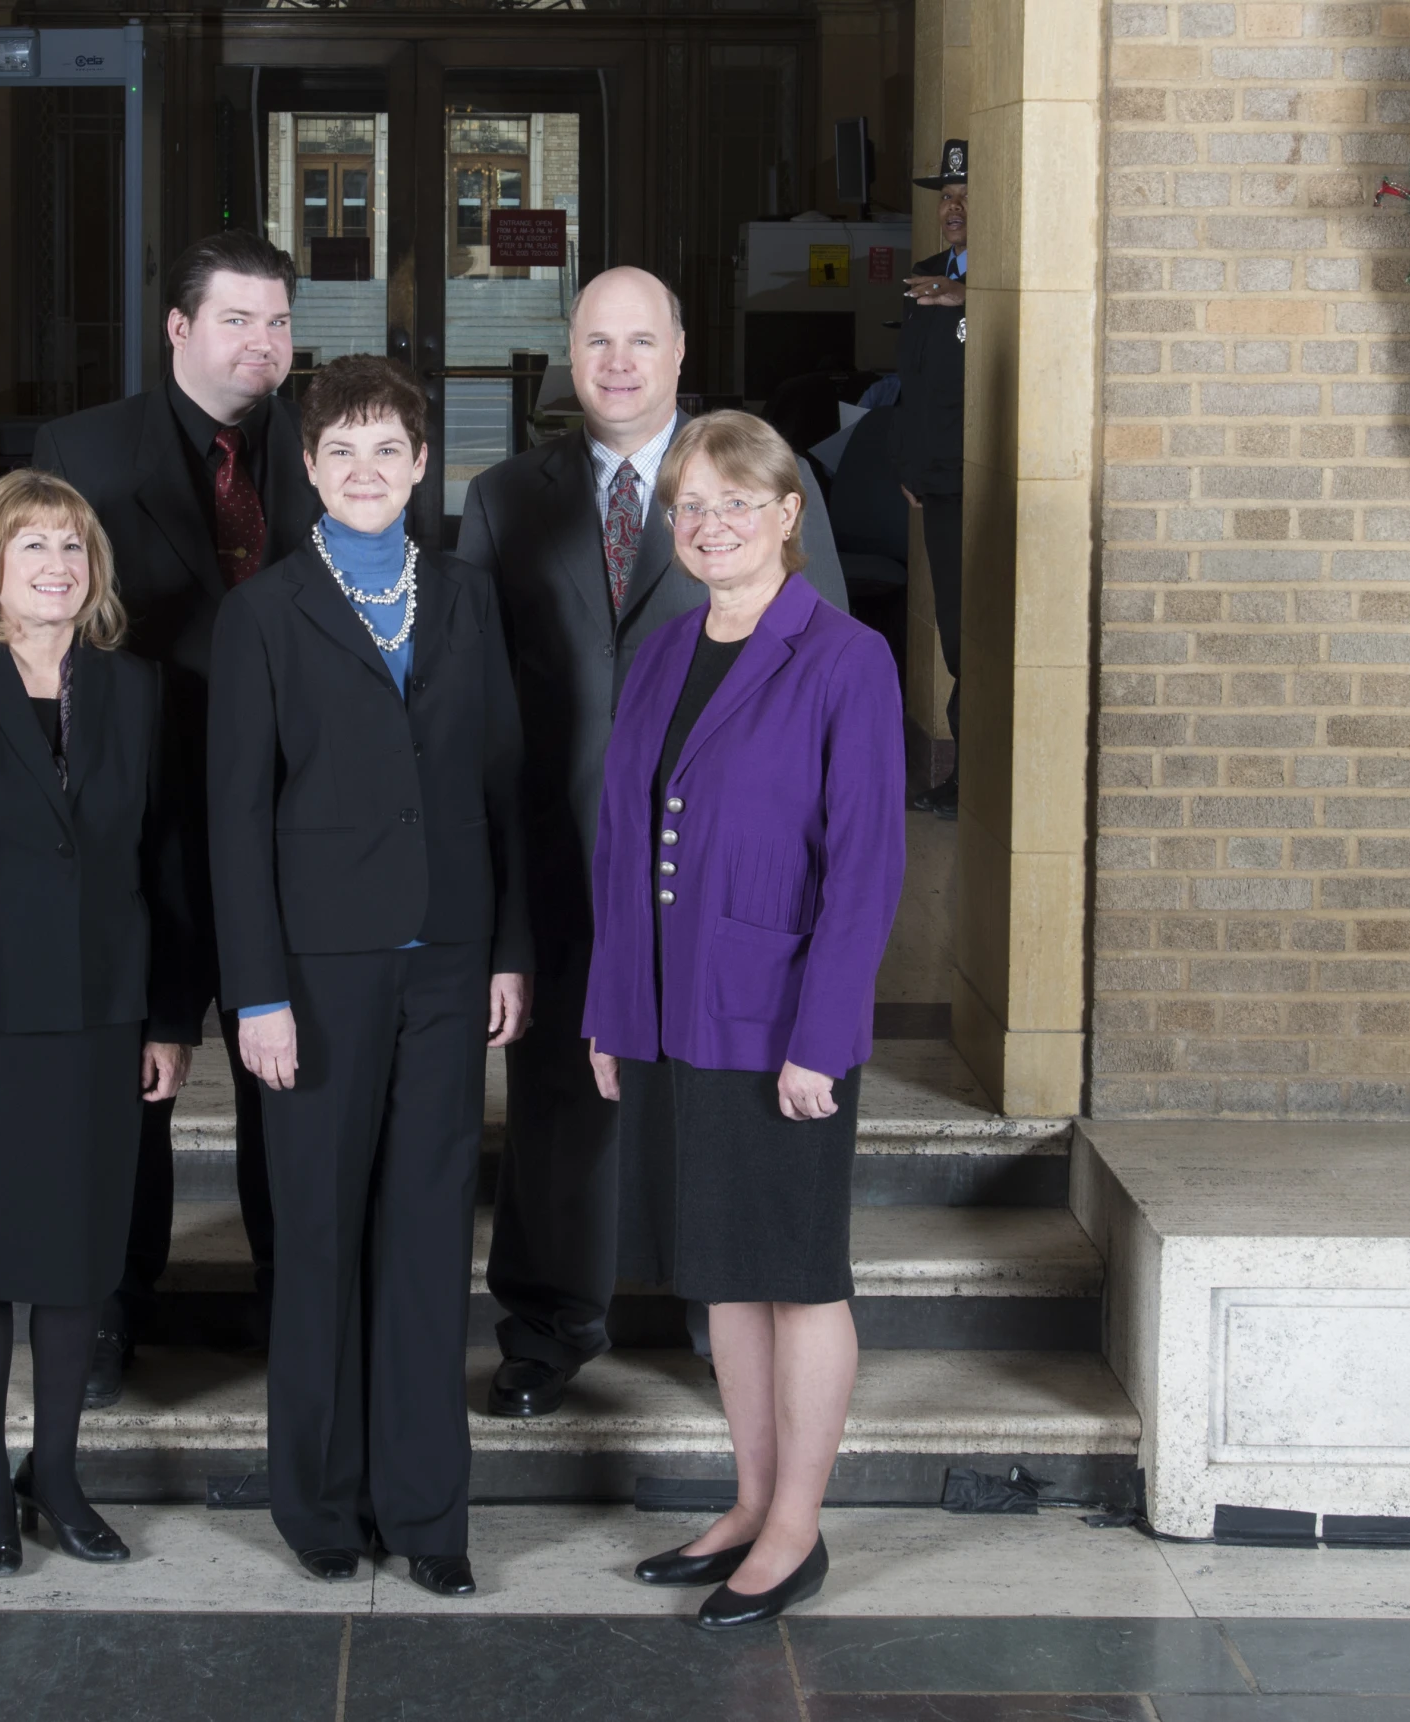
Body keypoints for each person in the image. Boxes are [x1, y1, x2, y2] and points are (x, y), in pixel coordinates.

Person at [207, 355, 531, 1597]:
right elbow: (235, 822)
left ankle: (429, 1515)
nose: (364, 471)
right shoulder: (263, 615)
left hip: (450, 967)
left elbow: (505, 788)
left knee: (427, 1240)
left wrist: (512, 949)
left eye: (386, 450)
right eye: (339, 450)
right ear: (307, 466)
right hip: (318, 982)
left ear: (422, 464)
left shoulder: (466, 598)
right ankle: (321, 1506)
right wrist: (258, 995)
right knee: (322, 1239)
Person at [584, 412, 904, 1630]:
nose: (711, 526)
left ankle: (799, 1528)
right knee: (722, 1276)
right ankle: (749, 1499)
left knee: (798, 1275)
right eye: (691, 507)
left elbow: (866, 865)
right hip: (674, 1012)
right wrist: (614, 1009)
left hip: (781, 1022)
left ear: (788, 516)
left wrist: (824, 1037)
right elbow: (621, 845)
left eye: (737, 503)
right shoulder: (661, 654)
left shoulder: (844, 657)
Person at [0, 469, 202, 1578]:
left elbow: (169, 868)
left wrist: (171, 1018)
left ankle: (56, 1475)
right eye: (32, 550)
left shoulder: (140, 692)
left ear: (93, 569)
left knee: (77, 1263)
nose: (56, 565)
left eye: (71, 546)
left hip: (104, 1019)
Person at [31, 233, 322, 1403]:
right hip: (138, 813)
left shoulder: (327, 445)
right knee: (121, 1074)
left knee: (289, 1072)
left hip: (291, 816)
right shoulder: (83, 452)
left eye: (279, 324)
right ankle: (110, 1306)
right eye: (239, 321)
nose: (264, 345)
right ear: (178, 328)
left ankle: (294, 1295)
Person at [455, 266, 702, 1419]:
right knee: (556, 1097)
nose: (617, 363)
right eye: (597, 340)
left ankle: (719, 1305)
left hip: (710, 860)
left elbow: (823, 666)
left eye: (639, 341)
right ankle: (549, 1325)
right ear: (570, 351)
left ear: (679, 352)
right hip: (553, 851)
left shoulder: (748, 480)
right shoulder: (507, 498)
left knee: (714, 1087)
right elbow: (475, 692)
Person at [891, 138, 969, 821]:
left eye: (964, 199)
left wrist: (968, 298)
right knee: (955, 630)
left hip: (993, 481)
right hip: (940, 479)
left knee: (986, 630)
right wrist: (907, 465)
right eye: (946, 199)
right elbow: (911, 383)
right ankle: (964, 773)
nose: (951, 210)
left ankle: (979, 773)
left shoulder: (1002, 276)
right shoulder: (923, 273)